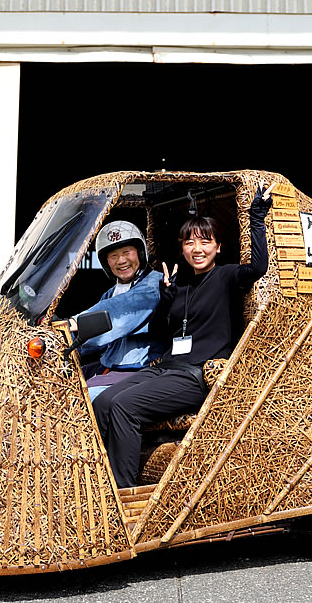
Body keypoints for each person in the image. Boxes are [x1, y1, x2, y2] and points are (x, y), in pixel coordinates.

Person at [92, 184, 273, 488]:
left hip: (195, 375)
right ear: (182, 248)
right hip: (166, 368)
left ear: (218, 247)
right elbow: (163, 332)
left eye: (205, 242)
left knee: (125, 406)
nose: (197, 248)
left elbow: (258, 266)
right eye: (189, 242)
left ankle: (122, 492)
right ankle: (102, 482)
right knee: (103, 402)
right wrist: (166, 297)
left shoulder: (227, 276)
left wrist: (257, 217)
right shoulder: (179, 284)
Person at [71, 220, 162, 401]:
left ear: (140, 252)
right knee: (63, 386)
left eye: (126, 252)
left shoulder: (153, 285)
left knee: (81, 401)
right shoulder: (112, 292)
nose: (121, 261)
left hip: (140, 369)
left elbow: (115, 313)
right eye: (113, 256)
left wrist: (71, 325)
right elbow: (93, 339)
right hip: (112, 367)